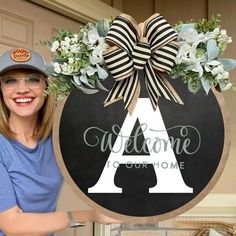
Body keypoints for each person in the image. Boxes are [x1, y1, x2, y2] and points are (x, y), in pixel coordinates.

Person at [0, 48, 118, 236]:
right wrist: (89, 215)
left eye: (33, 79)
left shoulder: (59, 138)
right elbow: (12, 225)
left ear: (46, 87)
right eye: (10, 81)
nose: (22, 89)